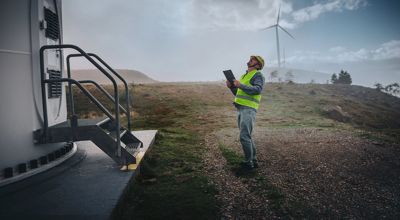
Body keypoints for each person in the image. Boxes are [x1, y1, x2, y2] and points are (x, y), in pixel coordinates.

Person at [226, 55, 265, 170]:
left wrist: (240, 85)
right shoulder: (244, 75)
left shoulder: (258, 75)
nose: (250, 60)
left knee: (244, 136)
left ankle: (249, 164)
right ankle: (253, 161)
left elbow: (258, 89)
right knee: (247, 136)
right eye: (251, 59)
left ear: (257, 65)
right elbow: (239, 93)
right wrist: (231, 87)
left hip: (248, 108)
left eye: (253, 60)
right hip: (241, 108)